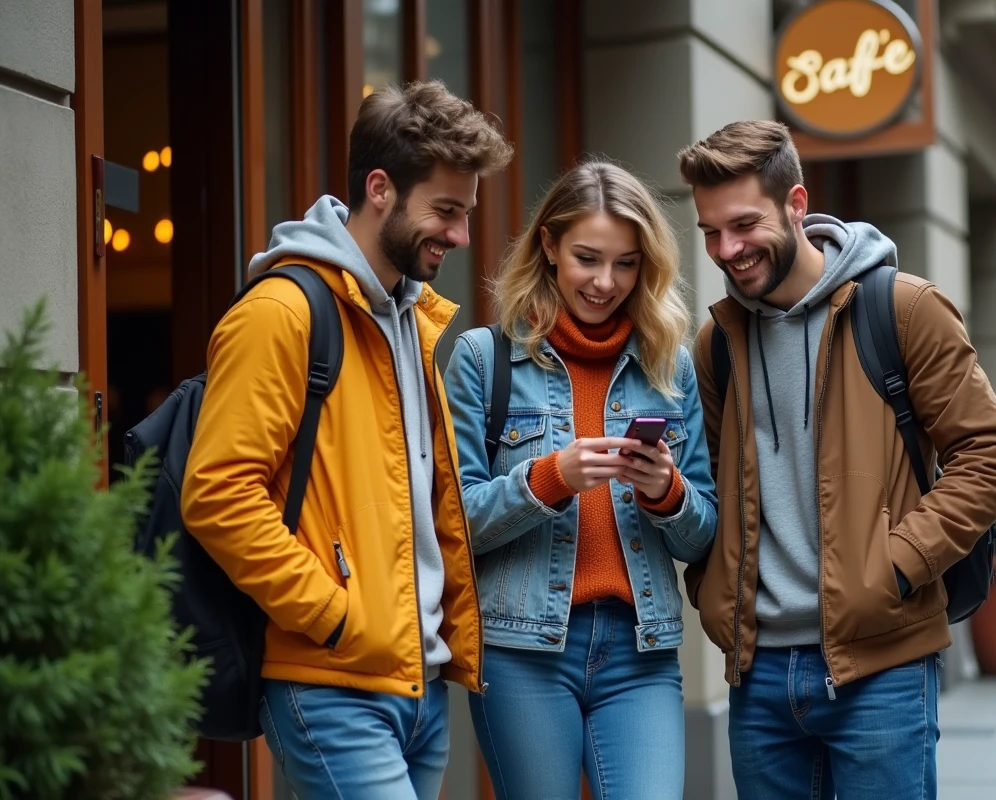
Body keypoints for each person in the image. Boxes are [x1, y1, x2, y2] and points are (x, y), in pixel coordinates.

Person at [181, 80, 513, 799]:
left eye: (466, 213)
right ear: (380, 188)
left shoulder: (409, 319)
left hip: (419, 685)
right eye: (446, 211)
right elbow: (217, 495)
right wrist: (334, 619)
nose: (459, 235)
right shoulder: (281, 312)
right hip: (332, 682)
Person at [675, 120, 996, 800]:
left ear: (796, 204)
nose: (728, 249)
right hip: (758, 672)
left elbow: (991, 454)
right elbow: (709, 482)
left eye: (744, 224)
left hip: (882, 663)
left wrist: (892, 567)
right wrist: (713, 588)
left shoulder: (901, 308)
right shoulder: (716, 342)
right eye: (711, 232)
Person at [443, 159, 718, 800]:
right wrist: (549, 478)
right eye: (588, 258)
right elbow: (452, 523)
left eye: (626, 263)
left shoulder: (669, 366)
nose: (605, 281)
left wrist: (667, 493)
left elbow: (702, 535)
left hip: (640, 651)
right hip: (521, 652)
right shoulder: (485, 361)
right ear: (549, 245)